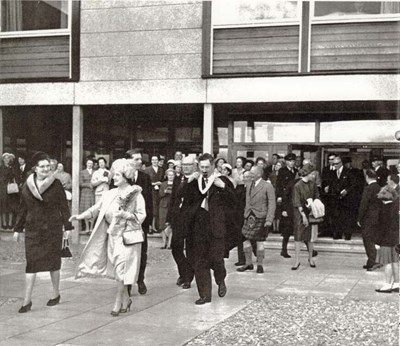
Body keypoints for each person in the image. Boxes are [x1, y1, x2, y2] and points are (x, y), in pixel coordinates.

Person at [71, 158, 145, 316]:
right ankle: (127, 299)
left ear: (126, 175)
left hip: (128, 237)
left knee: (121, 269)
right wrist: (79, 216)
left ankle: (118, 300)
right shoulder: (109, 193)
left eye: (117, 174)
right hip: (112, 236)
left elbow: (142, 215)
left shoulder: (135, 193)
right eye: (114, 174)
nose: (114, 177)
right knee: (119, 270)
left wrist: (126, 214)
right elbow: (95, 209)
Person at [13, 151, 72, 313]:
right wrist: (18, 228)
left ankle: (55, 293)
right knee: (31, 263)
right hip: (33, 229)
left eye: (48, 166)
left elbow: (63, 207)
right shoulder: (27, 185)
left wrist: (68, 227)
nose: (46, 169)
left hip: (52, 229)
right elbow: (22, 208)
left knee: (53, 263)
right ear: (35, 169)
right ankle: (27, 300)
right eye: (43, 166)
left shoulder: (56, 184)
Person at [190, 153, 235, 305]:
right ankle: (205, 295)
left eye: (207, 167)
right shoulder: (195, 181)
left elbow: (234, 200)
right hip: (199, 227)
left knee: (216, 259)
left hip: (217, 227)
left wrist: (224, 188)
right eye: (201, 167)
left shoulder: (222, 181)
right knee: (200, 262)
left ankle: (221, 279)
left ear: (213, 166)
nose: (204, 170)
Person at [166, 156, 197, 289]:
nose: (186, 167)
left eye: (189, 165)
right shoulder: (178, 179)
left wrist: (191, 181)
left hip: (190, 220)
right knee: (176, 248)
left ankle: (188, 278)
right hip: (177, 218)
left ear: (194, 166)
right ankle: (184, 272)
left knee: (190, 249)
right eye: (183, 165)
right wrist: (168, 220)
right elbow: (173, 199)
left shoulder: (196, 180)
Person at [237, 166, 276, 274]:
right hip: (249, 216)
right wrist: (245, 214)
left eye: (252, 173)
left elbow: (272, 204)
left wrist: (269, 219)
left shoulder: (268, 186)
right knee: (245, 240)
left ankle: (260, 265)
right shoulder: (249, 184)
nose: (250, 175)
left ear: (259, 174)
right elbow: (247, 201)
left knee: (259, 242)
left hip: (261, 217)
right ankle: (248, 263)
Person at [125, 148, 153, 295]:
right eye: (136, 159)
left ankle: (140, 279)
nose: (139, 162)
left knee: (142, 253)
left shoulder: (145, 177)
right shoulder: (121, 177)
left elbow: (149, 201)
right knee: (127, 254)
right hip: (125, 224)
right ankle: (127, 284)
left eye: (140, 159)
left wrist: (148, 222)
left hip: (141, 223)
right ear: (128, 160)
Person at [291, 164, 319, 270]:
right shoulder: (297, 185)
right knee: (298, 237)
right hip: (300, 213)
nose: (314, 176)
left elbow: (317, 196)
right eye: (312, 174)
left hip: (311, 212)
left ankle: (310, 258)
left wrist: (314, 204)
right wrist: (303, 215)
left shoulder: (313, 185)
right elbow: (296, 202)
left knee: (310, 238)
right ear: (307, 174)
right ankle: (297, 260)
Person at [374, 174, 399, 292]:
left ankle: (387, 284)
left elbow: (381, 227)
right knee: (395, 262)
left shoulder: (382, 211)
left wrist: (377, 241)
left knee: (387, 262)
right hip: (395, 238)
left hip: (385, 239)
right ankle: (397, 283)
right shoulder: (395, 208)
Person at [357, 169, 382, 271]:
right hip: (378, 217)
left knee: (367, 239)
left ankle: (373, 261)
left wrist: (359, 218)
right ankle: (371, 260)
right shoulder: (380, 188)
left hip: (368, 218)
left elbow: (364, 204)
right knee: (373, 238)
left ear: (367, 176)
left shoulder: (368, 189)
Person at [330, 156, 358, 240]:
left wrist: (347, 190)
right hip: (336, 199)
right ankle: (337, 234)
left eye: (337, 164)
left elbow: (354, 185)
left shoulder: (349, 172)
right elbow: (332, 184)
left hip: (347, 200)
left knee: (346, 217)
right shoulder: (332, 173)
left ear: (341, 163)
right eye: (333, 164)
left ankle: (347, 234)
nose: (335, 166)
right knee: (337, 217)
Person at [144, 155, 164, 233]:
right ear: (151, 161)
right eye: (153, 160)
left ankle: (158, 226)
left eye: (156, 160)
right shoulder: (147, 170)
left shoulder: (161, 169)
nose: (155, 161)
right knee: (152, 209)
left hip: (160, 191)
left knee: (159, 208)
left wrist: (160, 183)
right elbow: (146, 182)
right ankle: (151, 227)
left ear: (158, 161)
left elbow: (164, 180)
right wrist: (153, 183)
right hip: (151, 191)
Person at [0, 153, 19, 229]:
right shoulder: (1, 168)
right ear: (3, 159)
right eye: (5, 158)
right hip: (3, 189)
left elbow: (15, 176)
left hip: (11, 189)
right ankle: (4, 223)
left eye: (8, 158)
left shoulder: (12, 168)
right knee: (4, 206)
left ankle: (10, 223)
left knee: (11, 206)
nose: (7, 160)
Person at [159, 169, 175, 249]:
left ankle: (169, 244)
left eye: (172, 175)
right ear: (166, 176)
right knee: (162, 224)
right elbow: (160, 194)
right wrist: (165, 191)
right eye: (169, 175)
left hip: (172, 206)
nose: (171, 176)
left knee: (171, 224)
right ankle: (164, 243)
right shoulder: (163, 184)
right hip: (163, 206)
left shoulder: (176, 184)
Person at [79, 158, 95, 233]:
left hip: (93, 192)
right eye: (88, 163)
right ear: (86, 164)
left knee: (93, 209)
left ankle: (92, 227)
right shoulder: (82, 172)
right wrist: (89, 185)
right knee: (86, 209)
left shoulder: (95, 172)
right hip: (85, 192)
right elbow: (80, 183)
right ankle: (87, 228)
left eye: (91, 163)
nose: (90, 165)